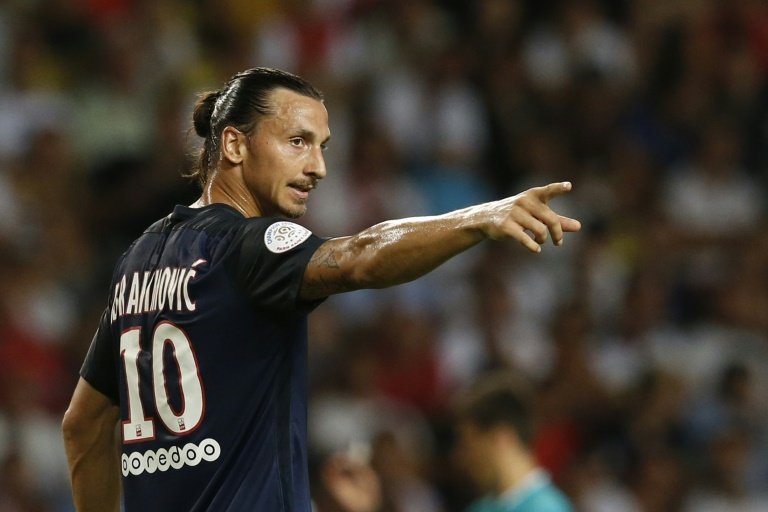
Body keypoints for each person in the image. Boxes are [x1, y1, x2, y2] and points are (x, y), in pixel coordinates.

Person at [61, 67, 581, 512]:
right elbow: (357, 258)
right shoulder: (251, 245)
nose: (318, 167)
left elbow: (83, 426)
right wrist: (478, 218)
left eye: (323, 147)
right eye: (298, 142)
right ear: (235, 143)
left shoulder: (137, 260)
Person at [454, 373, 574, 512]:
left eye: (470, 445)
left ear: (501, 438)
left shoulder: (547, 509)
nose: (462, 458)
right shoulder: (479, 508)